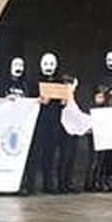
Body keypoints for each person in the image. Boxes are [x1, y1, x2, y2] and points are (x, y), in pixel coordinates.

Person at [29, 52, 75, 195]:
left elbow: (63, 102)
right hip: (39, 124)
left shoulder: (60, 83)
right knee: (35, 155)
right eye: (46, 64)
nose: (49, 67)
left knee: (50, 155)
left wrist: (64, 99)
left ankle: (48, 184)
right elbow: (30, 100)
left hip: (54, 124)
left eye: (52, 64)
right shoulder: (34, 82)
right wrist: (39, 100)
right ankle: (30, 185)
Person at [86, 49, 112, 192]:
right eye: (109, 60)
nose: (111, 64)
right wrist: (108, 93)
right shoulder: (98, 78)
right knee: (98, 154)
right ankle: (93, 181)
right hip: (101, 119)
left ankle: (108, 180)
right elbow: (96, 98)